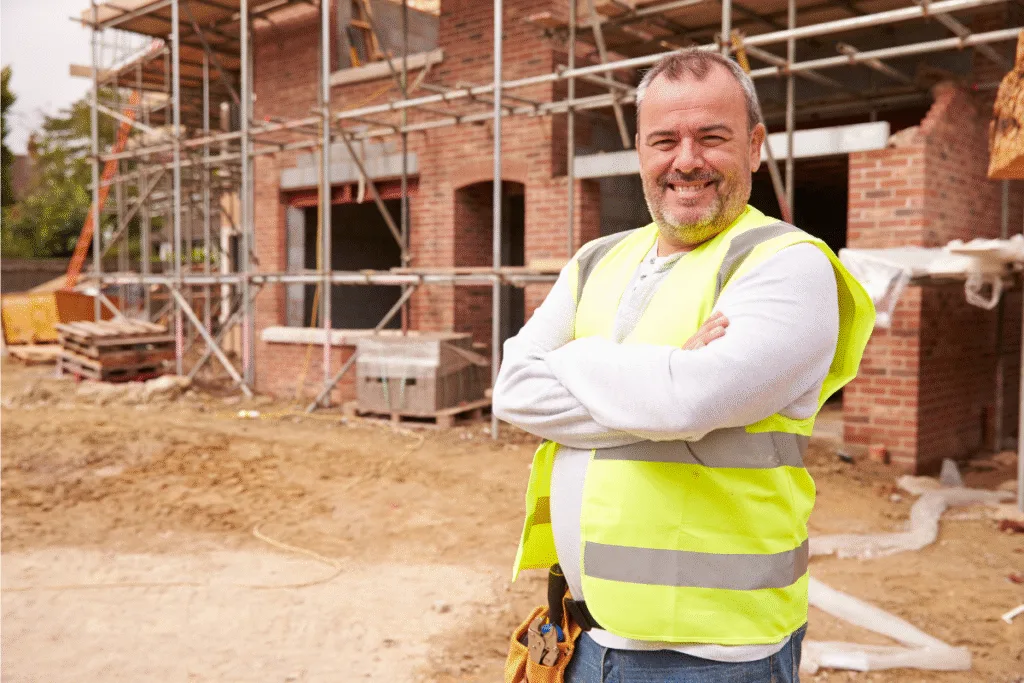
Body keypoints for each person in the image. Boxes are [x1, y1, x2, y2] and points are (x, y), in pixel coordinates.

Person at [492, 48, 875, 683]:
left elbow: (689, 402)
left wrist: (577, 361)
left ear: (754, 146)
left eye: (712, 137)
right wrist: (665, 372)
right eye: (664, 140)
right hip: (581, 637)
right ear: (640, 151)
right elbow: (513, 390)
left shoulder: (788, 264)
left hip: (713, 657)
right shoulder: (596, 260)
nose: (687, 160)